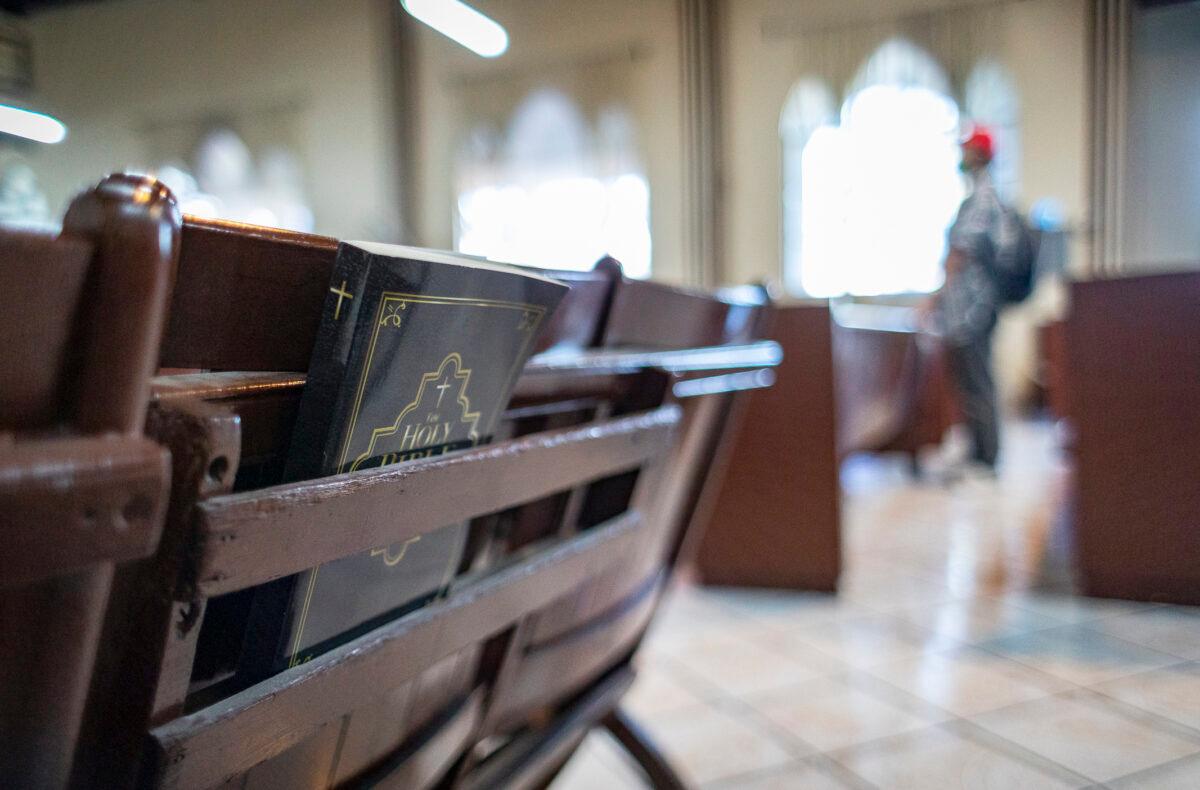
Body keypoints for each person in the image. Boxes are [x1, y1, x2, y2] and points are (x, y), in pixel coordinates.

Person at [935, 125, 1011, 476]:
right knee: (971, 383)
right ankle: (979, 452)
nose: (960, 157)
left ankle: (986, 458)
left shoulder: (983, 197)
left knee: (977, 381)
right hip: (966, 310)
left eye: (966, 150)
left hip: (973, 311)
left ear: (979, 155)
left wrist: (936, 295)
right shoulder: (977, 196)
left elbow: (961, 251)